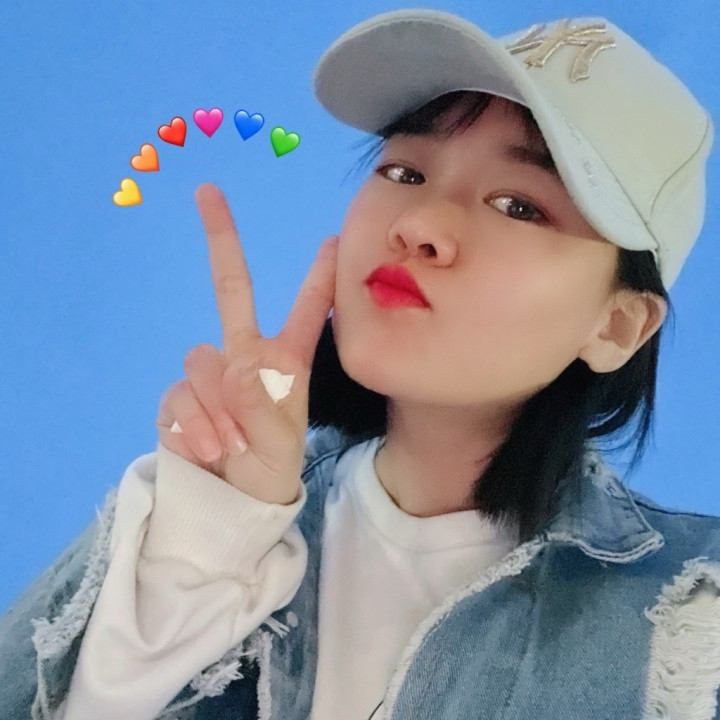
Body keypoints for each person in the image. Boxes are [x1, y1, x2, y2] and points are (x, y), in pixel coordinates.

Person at [1, 8, 719, 720]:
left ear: (617, 325)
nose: (418, 224)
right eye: (405, 171)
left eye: (518, 206)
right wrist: (201, 548)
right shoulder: (204, 515)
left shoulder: (691, 614)